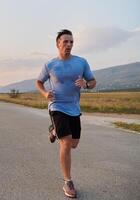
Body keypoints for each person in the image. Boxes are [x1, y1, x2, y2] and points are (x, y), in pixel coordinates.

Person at [36, 29, 96, 198]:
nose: (69, 45)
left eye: (71, 42)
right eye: (65, 42)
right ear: (58, 44)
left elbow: (93, 81)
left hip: (74, 108)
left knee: (74, 144)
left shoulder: (81, 62)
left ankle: (54, 130)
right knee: (66, 143)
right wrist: (45, 93)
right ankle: (68, 182)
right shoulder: (50, 65)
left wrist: (86, 84)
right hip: (57, 107)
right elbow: (39, 82)